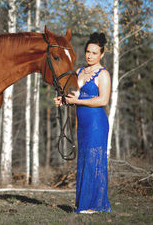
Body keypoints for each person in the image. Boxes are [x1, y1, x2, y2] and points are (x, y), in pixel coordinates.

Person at [54, 32, 112, 214]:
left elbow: (103, 101)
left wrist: (76, 102)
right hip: (83, 124)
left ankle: (96, 205)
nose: (89, 55)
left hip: (97, 123)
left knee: (95, 160)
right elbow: (74, 96)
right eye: (88, 51)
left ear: (101, 54)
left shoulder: (103, 74)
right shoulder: (79, 71)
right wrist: (63, 100)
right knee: (85, 160)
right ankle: (83, 203)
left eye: (94, 53)